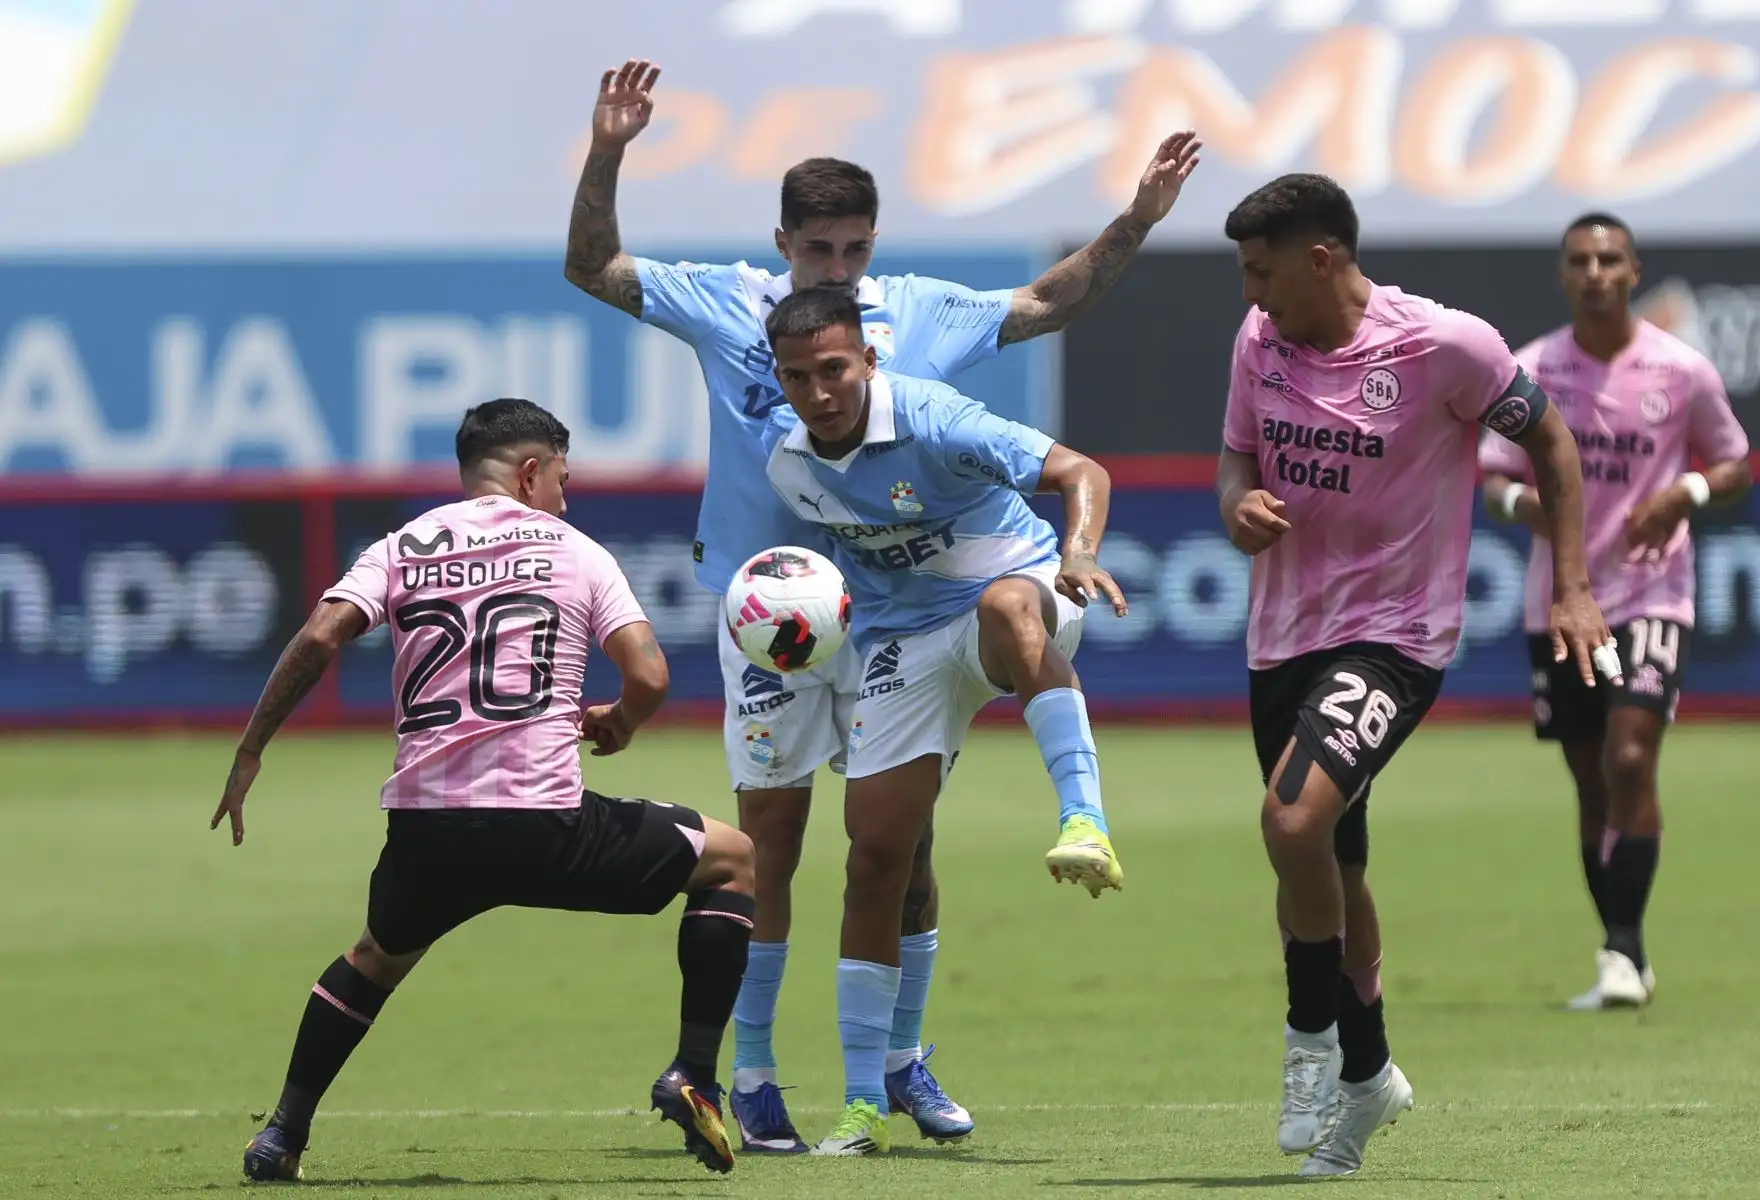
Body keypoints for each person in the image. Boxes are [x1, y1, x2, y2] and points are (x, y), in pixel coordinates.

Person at [562, 57, 1200, 1152]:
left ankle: (898, 1063)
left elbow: (1051, 300)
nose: (839, 269)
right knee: (769, 837)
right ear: (782, 244)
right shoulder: (728, 303)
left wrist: (1136, 219)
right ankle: (754, 1075)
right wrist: (609, 152)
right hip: (775, 613)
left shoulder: (912, 316)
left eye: (855, 249)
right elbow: (592, 266)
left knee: (899, 851)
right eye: (818, 250)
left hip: (895, 611)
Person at [212, 399, 757, 1181]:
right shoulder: (578, 552)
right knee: (733, 858)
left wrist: (252, 747)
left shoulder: (402, 545)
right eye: (562, 479)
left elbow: (321, 634)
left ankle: (281, 1136)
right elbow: (649, 675)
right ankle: (693, 1074)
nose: (564, 498)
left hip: (427, 830)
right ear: (531, 473)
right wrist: (620, 722)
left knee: (373, 958)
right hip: (545, 823)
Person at [1217, 175, 1613, 1177]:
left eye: (1262, 271)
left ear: (1321, 260)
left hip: (1396, 637)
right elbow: (1235, 460)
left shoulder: (1447, 345)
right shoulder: (1259, 339)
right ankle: (1369, 1076)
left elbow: (1553, 444)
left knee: (1291, 823)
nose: (1251, 293)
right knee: (1329, 865)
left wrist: (1572, 587)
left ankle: (1309, 1039)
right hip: (1281, 638)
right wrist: (1236, 505)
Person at [751, 287, 1125, 1154]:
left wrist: (1078, 551)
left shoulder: (933, 416)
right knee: (878, 859)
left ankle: (1085, 819)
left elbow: (1083, 472)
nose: (819, 392)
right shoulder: (788, 466)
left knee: (1004, 606)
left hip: (1027, 591)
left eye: (834, 369)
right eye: (798, 377)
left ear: (868, 359)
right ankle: (864, 1099)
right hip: (903, 643)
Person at [1479, 212, 1750, 1011]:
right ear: (1563, 275)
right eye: (1580, 261)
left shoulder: (1681, 369)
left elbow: (1733, 464)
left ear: (1634, 272)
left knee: (1630, 759)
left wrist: (1685, 491)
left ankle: (1622, 951)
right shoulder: (1531, 371)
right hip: (1563, 600)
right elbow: (1491, 478)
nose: (1595, 273)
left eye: (1609, 260)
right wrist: (1523, 504)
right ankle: (1622, 948)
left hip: (1651, 592)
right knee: (1591, 780)